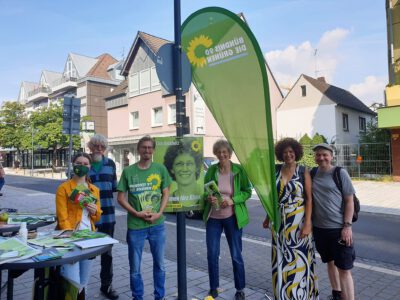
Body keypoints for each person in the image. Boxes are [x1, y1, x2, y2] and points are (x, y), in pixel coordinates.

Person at [262, 138, 318, 299]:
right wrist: (268, 217)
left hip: (298, 222)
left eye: (291, 152)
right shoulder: (276, 170)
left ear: (296, 153)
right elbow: (274, 198)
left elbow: (309, 199)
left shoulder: (303, 171)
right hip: (279, 222)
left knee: (299, 258)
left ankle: (300, 295)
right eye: (285, 152)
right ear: (281, 154)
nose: (288, 155)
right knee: (281, 257)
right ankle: (283, 294)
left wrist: (308, 224)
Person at [117, 135, 172, 300]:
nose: (147, 150)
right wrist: (136, 213)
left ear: (153, 150)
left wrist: (159, 213)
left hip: (157, 225)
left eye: (150, 148)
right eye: (144, 147)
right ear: (139, 149)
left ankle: (159, 297)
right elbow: (120, 198)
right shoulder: (128, 171)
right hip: (136, 226)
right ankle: (137, 297)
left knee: (160, 265)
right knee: (135, 268)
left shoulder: (160, 169)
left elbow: (166, 192)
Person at [203, 139, 252, 300]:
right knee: (212, 254)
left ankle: (240, 289)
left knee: (236, 255)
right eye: (219, 152)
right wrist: (208, 198)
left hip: (233, 217)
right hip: (213, 218)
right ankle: (213, 288)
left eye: (225, 152)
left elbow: (247, 191)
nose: (222, 154)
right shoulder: (211, 170)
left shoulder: (238, 170)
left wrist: (233, 200)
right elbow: (205, 190)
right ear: (215, 154)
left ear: (229, 154)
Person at [311, 143, 356, 300]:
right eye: (318, 155)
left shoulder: (340, 173)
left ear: (331, 156)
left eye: (325, 154)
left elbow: (349, 201)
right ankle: (336, 294)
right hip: (319, 229)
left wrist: (347, 226)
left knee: (344, 269)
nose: (321, 157)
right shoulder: (312, 173)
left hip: (338, 228)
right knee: (329, 262)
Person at [55, 153, 102, 298]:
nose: (82, 166)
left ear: (90, 167)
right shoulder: (64, 188)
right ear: (73, 164)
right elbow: (62, 218)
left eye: (85, 164)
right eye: (79, 163)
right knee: (72, 281)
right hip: (70, 240)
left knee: (83, 282)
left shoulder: (94, 190)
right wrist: (71, 236)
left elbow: (97, 217)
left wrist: (95, 211)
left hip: (89, 238)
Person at [87, 134, 119, 299]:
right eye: (96, 146)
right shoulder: (84, 164)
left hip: (107, 217)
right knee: (85, 253)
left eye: (102, 146)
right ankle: (79, 287)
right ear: (90, 147)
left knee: (107, 254)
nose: (99, 149)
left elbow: (114, 187)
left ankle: (106, 286)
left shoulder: (111, 164)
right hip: (87, 218)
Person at [163, 138, 203, 208]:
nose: (185, 169)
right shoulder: (167, 201)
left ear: (196, 167)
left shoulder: (203, 195)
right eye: (179, 164)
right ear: (172, 169)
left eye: (189, 164)